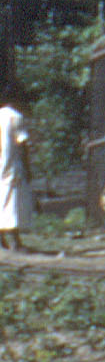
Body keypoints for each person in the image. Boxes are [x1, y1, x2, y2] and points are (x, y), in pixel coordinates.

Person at [0, 83, 27, 250]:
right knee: (12, 203)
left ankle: (2, 240)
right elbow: (22, 143)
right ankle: (16, 241)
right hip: (11, 164)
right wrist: (27, 166)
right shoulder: (16, 117)